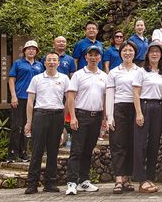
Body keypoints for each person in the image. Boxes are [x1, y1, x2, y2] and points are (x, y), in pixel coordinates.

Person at [24, 52, 69, 194]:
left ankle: (50, 183)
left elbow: (68, 100)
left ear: (58, 63)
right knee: (37, 150)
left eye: (54, 60)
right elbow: (30, 101)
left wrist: (63, 120)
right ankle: (32, 183)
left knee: (53, 151)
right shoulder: (37, 79)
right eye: (49, 60)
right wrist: (29, 122)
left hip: (57, 115)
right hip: (40, 115)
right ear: (44, 63)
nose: (51, 62)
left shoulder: (64, 78)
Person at [65, 44, 107, 195]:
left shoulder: (104, 76)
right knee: (76, 150)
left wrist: (104, 119)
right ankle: (72, 182)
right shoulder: (78, 74)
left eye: (96, 55)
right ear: (86, 57)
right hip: (81, 115)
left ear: (100, 58)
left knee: (88, 150)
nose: (93, 57)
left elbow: (105, 98)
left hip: (97, 117)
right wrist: (73, 117)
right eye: (91, 55)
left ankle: (84, 181)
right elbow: (71, 97)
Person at [105, 41, 139, 193]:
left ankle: (127, 178)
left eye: (130, 50)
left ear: (135, 53)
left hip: (135, 108)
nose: (127, 53)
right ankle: (118, 179)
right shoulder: (114, 72)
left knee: (132, 144)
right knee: (118, 144)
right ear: (120, 54)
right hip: (119, 108)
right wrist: (109, 116)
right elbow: (110, 94)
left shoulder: (140, 71)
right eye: (124, 50)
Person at [132, 41, 162, 193]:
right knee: (140, 143)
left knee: (154, 143)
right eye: (152, 51)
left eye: (157, 51)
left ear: (161, 55)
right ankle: (141, 179)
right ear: (147, 55)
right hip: (144, 106)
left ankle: (150, 178)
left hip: (158, 107)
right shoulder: (141, 72)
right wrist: (139, 112)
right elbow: (136, 93)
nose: (154, 54)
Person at [8, 41, 44, 162]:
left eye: (34, 49)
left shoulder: (40, 65)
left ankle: (23, 153)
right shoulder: (18, 63)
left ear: (37, 52)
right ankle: (12, 154)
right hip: (20, 97)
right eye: (29, 48)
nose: (31, 50)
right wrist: (13, 96)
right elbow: (11, 80)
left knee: (29, 126)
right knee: (17, 125)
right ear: (24, 51)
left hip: (34, 99)